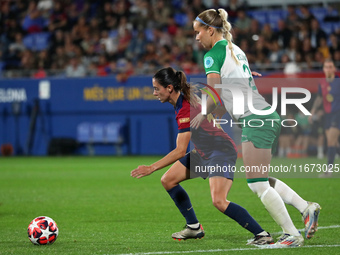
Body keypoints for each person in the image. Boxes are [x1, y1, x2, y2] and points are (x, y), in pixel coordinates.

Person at [191, 8, 321, 247]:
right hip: (264, 116)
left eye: (198, 32)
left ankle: (292, 235)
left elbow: (214, 95)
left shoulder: (212, 55)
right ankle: (306, 208)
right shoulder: (235, 50)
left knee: (256, 183)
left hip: (256, 119)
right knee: (261, 179)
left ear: (210, 30)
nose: (196, 37)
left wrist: (201, 113)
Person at [131, 67, 274, 245]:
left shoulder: (184, 108)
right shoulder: (185, 98)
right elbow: (219, 87)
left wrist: (151, 168)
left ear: (169, 88)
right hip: (203, 152)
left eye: (156, 88)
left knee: (219, 201)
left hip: (220, 151)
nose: (154, 93)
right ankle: (193, 227)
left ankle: (261, 234)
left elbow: (180, 151)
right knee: (168, 180)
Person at [309, 59, 340, 177]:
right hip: (327, 115)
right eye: (326, 67)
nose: (328, 69)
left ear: (334, 69)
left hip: (338, 114)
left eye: (330, 67)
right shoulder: (322, 82)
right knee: (333, 143)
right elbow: (319, 98)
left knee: (331, 141)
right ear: (323, 69)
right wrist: (313, 111)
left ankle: (329, 170)